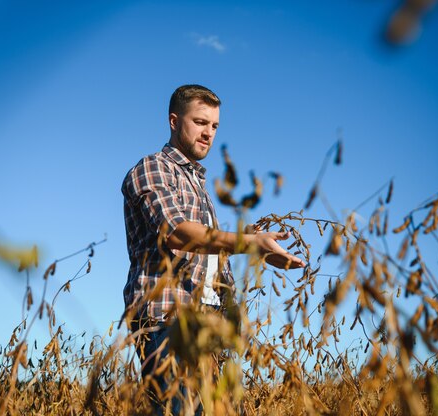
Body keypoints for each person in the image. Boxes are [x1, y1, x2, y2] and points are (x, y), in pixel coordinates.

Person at [121, 84, 304, 414]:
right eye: (200, 122)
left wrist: (247, 239)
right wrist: (245, 243)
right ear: (174, 121)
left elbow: (206, 244)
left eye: (214, 126)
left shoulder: (199, 184)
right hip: (167, 318)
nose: (208, 133)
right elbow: (176, 231)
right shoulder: (152, 168)